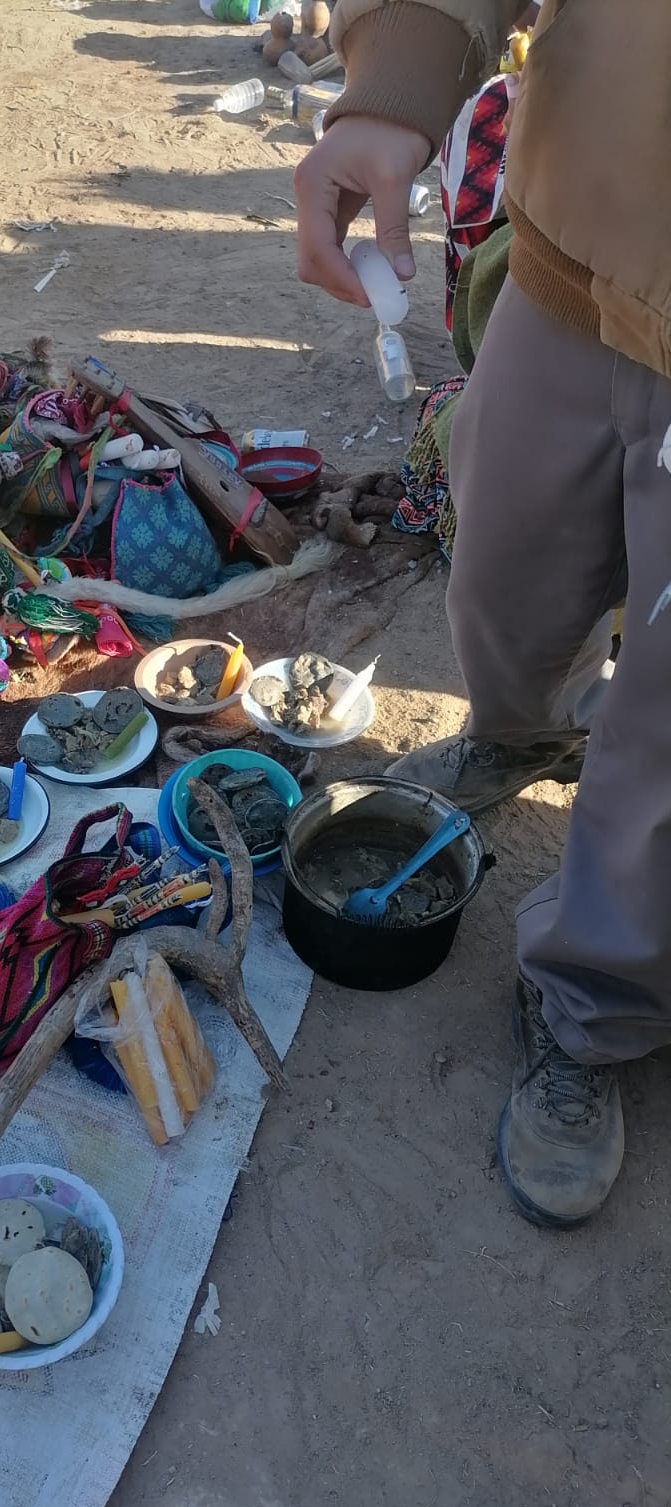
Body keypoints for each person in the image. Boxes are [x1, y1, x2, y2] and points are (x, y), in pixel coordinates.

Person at [294, 0, 670, 1230]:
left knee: (664, 734)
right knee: (506, 566)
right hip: (569, 256)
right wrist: (396, 91)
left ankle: (596, 1012)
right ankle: (522, 732)